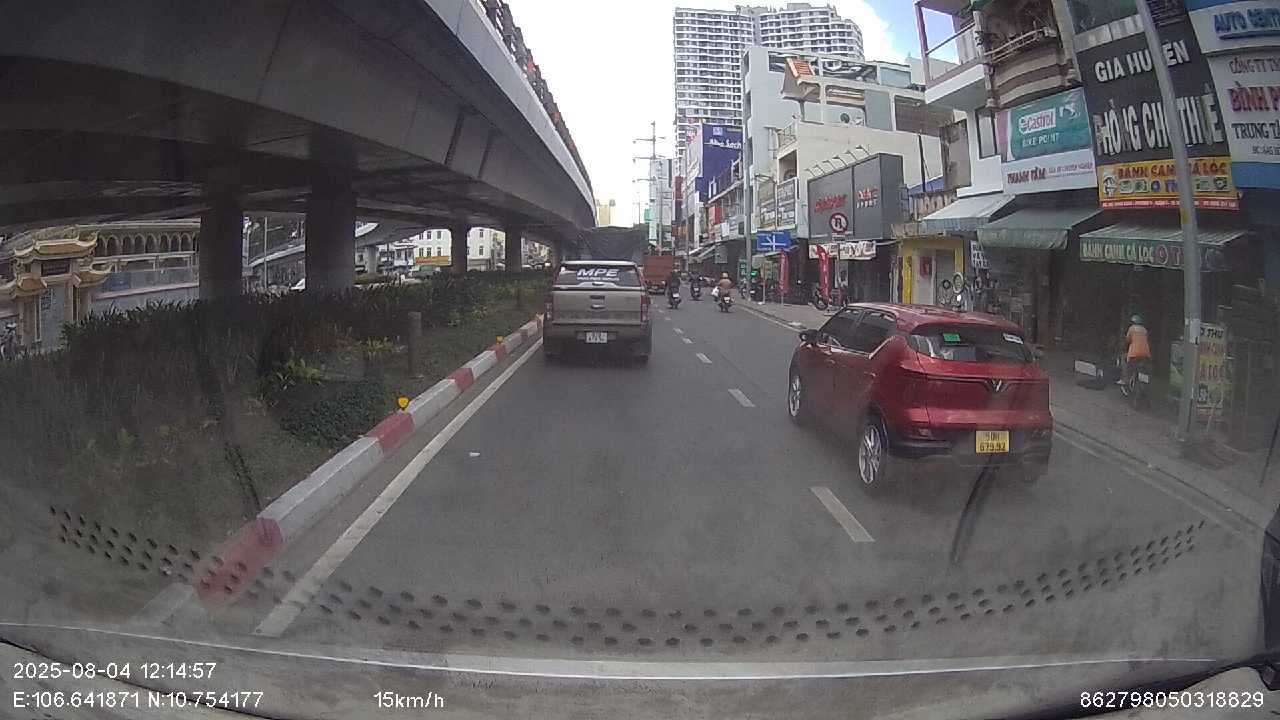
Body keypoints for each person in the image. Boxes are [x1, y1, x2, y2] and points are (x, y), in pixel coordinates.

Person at [1119, 314, 1152, 385]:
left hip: (1134, 353)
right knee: (1143, 367)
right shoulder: (1144, 330)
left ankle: (1125, 380)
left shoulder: (1131, 328)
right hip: (1146, 353)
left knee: (1126, 362)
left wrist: (1124, 347)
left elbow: (1128, 340)